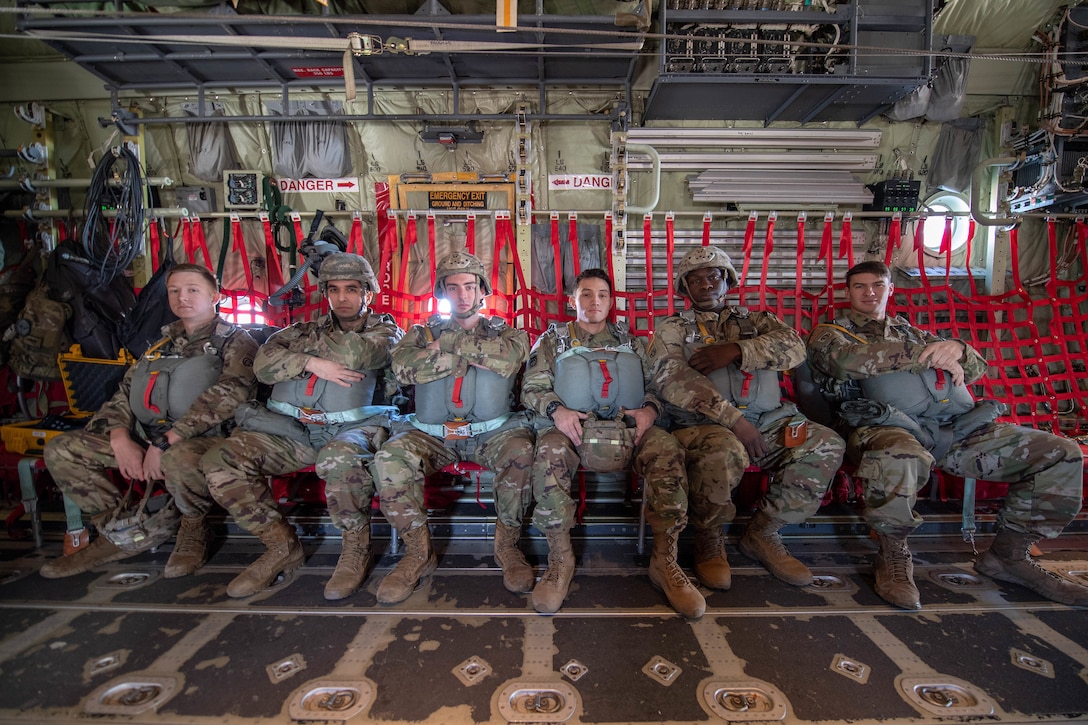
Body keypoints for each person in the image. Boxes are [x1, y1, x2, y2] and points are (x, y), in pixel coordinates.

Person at [806, 260, 1088, 609]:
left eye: (877, 285)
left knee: (1061, 452)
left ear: (890, 289)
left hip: (958, 428)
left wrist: (958, 349)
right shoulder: (831, 333)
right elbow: (844, 362)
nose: (869, 293)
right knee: (901, 455)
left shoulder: (915, 332)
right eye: (860, 286)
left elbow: (975, 369)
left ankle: (1009, 556)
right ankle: (893, 554)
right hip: (885, 427)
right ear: (848, 292)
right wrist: (927, 356)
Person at [200, 252, 403, 599]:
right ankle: (280, 547)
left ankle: (354, 550)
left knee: (337, 461)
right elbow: (263, 366)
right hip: (293, 429)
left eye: (352, 289)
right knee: (220, 460)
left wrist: (296, 358)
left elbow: (358, 355)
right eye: (334, 289)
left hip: (354, 430)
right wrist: (314, 363)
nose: (342, 298)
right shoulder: (300, 331)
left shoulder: (387, 332)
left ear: (368, 293)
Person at [40, 263, 258, 578]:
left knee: (179, 459)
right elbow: (124, 392)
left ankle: (193, 529)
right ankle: (120, 531)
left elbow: (228, 396)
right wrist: (119, 437)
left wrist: (165, 441)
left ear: (215, 296)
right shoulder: (159, 346)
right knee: (63, 450)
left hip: (202, 439)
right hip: (149, 437)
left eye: (192, 290)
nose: (182, 298)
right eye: (174, 291)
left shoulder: (236, 342)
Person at [647, 247, 845, 592]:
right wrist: (735, 420)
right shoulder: (672, 328)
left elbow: (794, 348)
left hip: (769, 421)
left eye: (713, 276)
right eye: (696, 279)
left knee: (825, 443)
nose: (706, 284)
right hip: (705, 425)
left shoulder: (757, 322)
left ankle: (764, 531)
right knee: (723, 450)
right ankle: (710, 537)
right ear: (685, 288)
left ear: (728, 280)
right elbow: (671, 378)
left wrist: (739, 350)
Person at [522, 268, 697, 615]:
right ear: (573, 301)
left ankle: (665, 562)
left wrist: (650, 409)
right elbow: (532, 387)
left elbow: (657, 387)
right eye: (586, 294)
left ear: (611, 301)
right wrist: (557, 411)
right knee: (549, 452)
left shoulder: (633, 343)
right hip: (572, 430)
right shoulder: (552, 340)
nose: (594, 301)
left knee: (668, 451)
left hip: (630, 431)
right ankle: (560, 560)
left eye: (602, 294)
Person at [373, 251, 535, 605]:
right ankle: (417, 554)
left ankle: (507, 547)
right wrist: (474, 354)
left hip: (492, 433)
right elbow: (403, 369)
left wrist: (445, 345)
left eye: (469, 286)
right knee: (390, 458)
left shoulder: (506, 333)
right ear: (442, 292)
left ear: (482, 291)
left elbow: (508, 360)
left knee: (522, 452)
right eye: (453, 288)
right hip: (432, 434)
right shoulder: (419, 332)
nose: (462, 295)